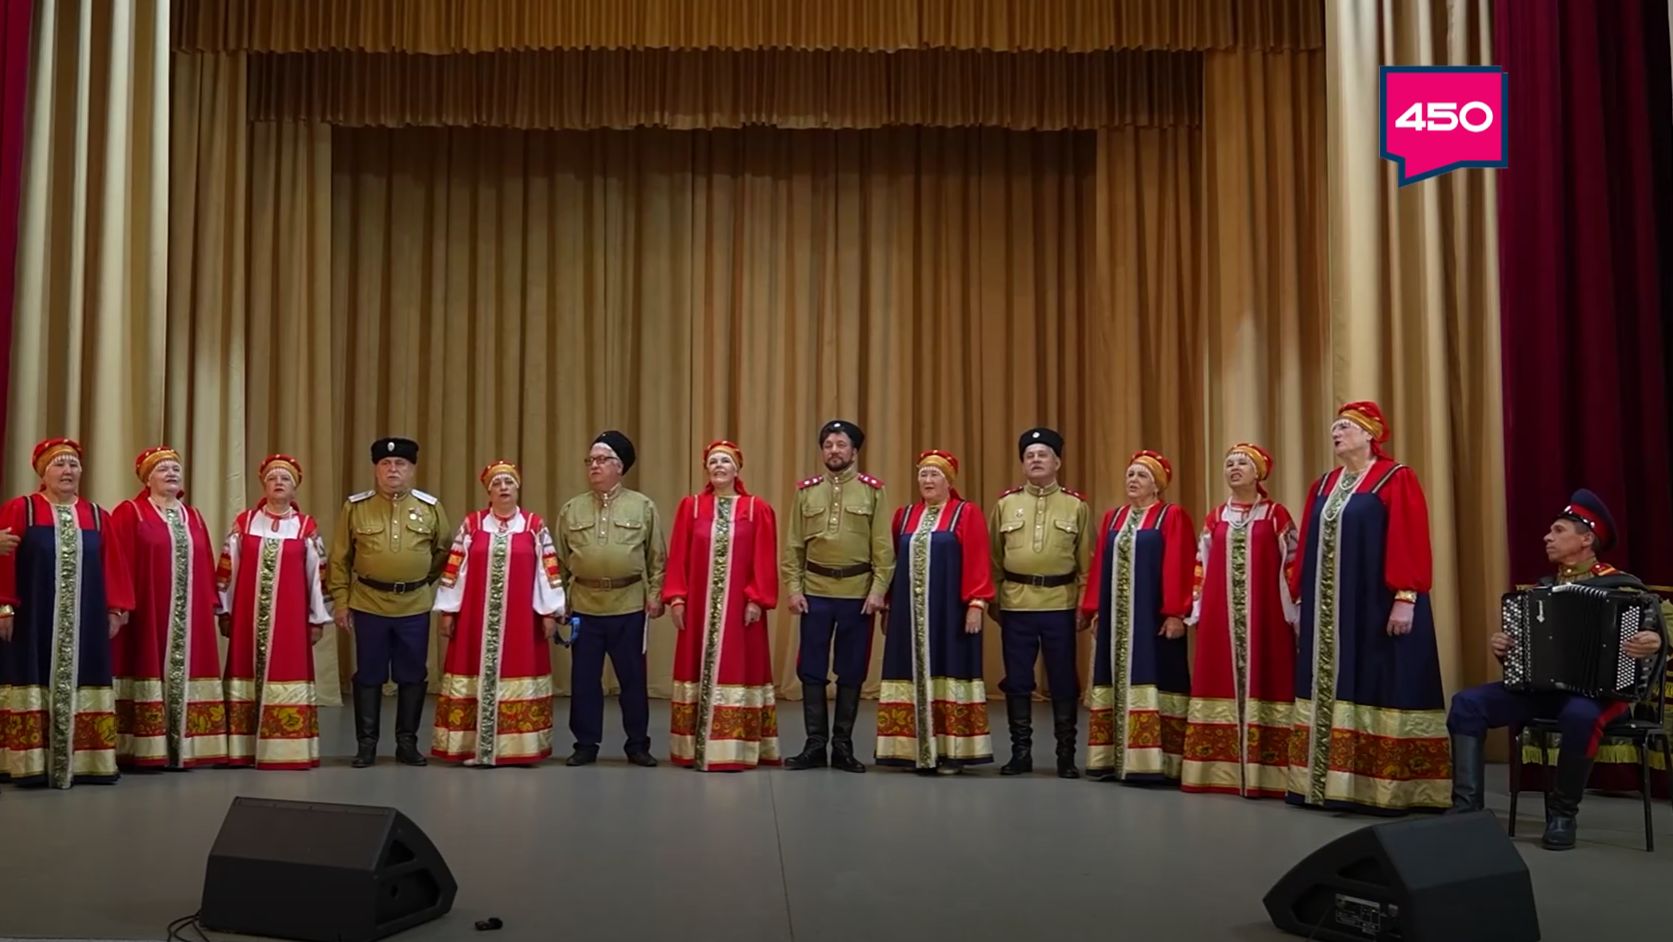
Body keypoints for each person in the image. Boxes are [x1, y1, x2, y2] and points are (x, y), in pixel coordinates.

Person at [1448, 490, 1666, 849]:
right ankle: (1466, 810)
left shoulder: (1624, 587)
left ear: (1586, 539)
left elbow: (1656, 641)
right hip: (1545, 691)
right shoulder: (1545, 589)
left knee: (1580, 715)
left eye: (1558, 530)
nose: (1547, 537)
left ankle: (1563, 814)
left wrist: (1652, 641)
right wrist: (1505, 648)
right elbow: (1526, 658)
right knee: (1467, 704)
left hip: (1604, 695)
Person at [1288, 401, 1449, 814]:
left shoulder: (1395, 478)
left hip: (1375, 604)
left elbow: (1409, 536)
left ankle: (1383, 786)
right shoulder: (1323, 485)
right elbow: (1306, 546)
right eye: (1334, 427)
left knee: (1379, 679)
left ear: (1369, 434)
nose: (1336, 433)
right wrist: (1301, 600)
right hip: (1328, 611)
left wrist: (1405, 597)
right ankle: (1324, 782)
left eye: (1345, 426)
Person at [0, 439, 134, 788]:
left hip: (86, 621)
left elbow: (114, 565)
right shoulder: (22, 509)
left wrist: (116, 608)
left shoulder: (97, 516)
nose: (67, 471)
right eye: (59, 464)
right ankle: (28, 761)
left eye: (73, 464)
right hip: (32, 619)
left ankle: (87, 759)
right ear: (42, 472)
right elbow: (5, 559)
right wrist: (4, 605)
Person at [1181, 443, 1297, 798]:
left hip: (1267, 616)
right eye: (1229, 463)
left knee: (1271, 678)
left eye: (1242, 463)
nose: (1233, 468)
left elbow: (1292, 563)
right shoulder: (1216, 516)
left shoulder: (1276, 514)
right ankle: (1218, 770)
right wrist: (1197, 607)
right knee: (1218, 678)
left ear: (1258, 472)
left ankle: (1272, 773)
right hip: (1221, 617)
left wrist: (1295, 610)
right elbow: (1201, 564)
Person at [328, 437, 452, 768]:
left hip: (414, 606)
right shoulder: (356, 507)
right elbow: (339, 559)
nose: (393, 469)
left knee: (412, 675)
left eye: (400, 464)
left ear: (412, 469)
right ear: (376, 470)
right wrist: (341, 601)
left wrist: (420, 579)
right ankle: (366, 745)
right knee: (369, 675)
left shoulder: (430, 507)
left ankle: (407, 743)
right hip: (368, 603)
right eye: (385, 464)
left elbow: (444, 551)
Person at [431, 461, 564, 767]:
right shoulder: (473, 524)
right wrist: (448, 610)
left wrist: (549, 612)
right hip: (474, 621)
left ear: (518, 488)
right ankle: (470, 745)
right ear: (488, 491)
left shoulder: (533, 526)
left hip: (522, 621)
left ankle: (516, 747)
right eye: (497, 483)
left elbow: (548, 571)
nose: (503, 487)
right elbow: (454, 570)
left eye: (509, 482)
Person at [781, 419, 892, 773]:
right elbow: (793, 547)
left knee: (852, 669)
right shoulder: (806, 492)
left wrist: (878, 591)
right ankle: (815, 744)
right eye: (828, 445)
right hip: (815, 593)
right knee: (811, 670)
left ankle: (843, 746)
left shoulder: (873, 492)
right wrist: (794, 588)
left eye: (841, 445)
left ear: (854, 452)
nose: (834, 451)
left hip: (858, 595)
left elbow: (883, 548)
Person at [109, 446, 229, 770]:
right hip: (147, 613)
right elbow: (117, 562)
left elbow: (205, 562)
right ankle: (145, 747)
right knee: (145, 665)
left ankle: (187, 746)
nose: (172, 473)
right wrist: (118, 605)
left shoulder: (194, 516)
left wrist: (211, 605)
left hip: (190, 616)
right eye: (162, 469)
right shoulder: (130, 512)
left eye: (175, 468)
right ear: (147, 479)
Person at [663, 440, 781, 771]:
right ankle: (693, 747)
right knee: (695, 665)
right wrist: (677, 597)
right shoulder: (691, 507)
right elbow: (679, 556)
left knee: (739, 667)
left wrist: (756, 598)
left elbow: (764, 558)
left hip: (740, 611)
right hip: (698, 610)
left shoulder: (757, 509)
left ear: (737, 469)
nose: (718, 466)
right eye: (713, 461)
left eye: (725, 461)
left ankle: (736, 747)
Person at [876, 450, 994, 773]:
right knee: (907, 671)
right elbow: (892, 564)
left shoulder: (965, 513)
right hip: (908, 617)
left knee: (949, 669)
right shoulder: (905, 516)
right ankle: (910, 749)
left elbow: (978, 559)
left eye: (934, 475)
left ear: (949, 481)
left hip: (949, 614)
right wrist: (888, 606)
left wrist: (976, 603)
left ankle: (951, 751)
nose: (927, 480)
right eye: (923, 474)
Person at [1080, 449, 1194, 783]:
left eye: (1142, 475)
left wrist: (1176, 613)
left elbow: (1180, 563)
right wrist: (1095, 610)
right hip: (1116, 621)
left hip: (1152, 620)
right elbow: (1100, 565)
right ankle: (1112, 757)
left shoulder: (1171, 516)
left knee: (1156, 677)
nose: (1133, 479)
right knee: (1113, 678)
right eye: (1130, 474)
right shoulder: (1113, 518)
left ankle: (1157, 761)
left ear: (1157, 485)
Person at [556, 430, 667, 767]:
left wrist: (656, 594)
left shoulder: (642, 506)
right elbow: (559, 562)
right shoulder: (571, 509)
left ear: (620, 466)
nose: (594, 466)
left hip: (629, 604)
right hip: (584, 606)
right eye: (590, 460)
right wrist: (560, 601)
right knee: (584, 680)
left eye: (602, 460)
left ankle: (637, 744)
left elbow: (657, 558)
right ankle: (585, 744)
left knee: (632, 680)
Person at [989, 427, 1092, 778]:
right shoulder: (1005, 504)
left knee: (1063, 680)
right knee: (1017, 680)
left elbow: (1086, 563)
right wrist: (996, 601)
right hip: (1016, 605)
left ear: (1057, 462)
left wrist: (1083, 604)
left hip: (1060, 605)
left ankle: (1066, 755)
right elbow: (994, 559)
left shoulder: (1076, 506)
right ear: (1022, 464)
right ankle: (1021, 753)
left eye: (1042, 454)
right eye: (1029, 456)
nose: (1035, 460)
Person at [217, 454, 331, 770]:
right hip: (247, 618)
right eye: (272, 478)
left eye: (285, 479)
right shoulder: (245, 523)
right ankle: (242, 748)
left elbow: (317, 576)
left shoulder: (305, 527)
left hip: (290, 622)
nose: (278, 483)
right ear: (263, 485)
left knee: (286, 671)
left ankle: (286, 750)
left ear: (295, 488)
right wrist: (225, 611)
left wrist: (317, 618)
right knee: (245, 671)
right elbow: (228, 570)